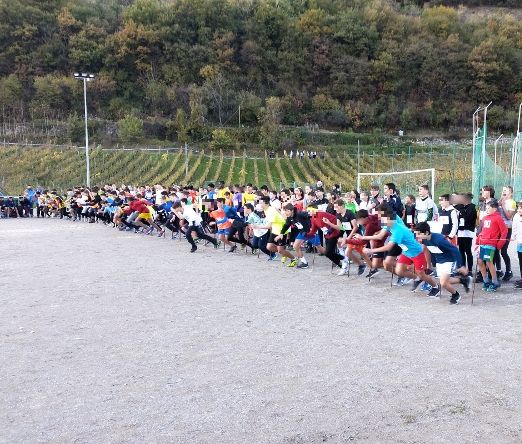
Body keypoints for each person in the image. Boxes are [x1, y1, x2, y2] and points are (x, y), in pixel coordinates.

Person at [364, 204, 440, 297]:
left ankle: (435, 286)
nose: (380, 220)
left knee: (422, 274)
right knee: (400, 271)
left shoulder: (397, 230)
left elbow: (388, 247)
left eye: (381, 217)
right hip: (406, 252)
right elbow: (379, 236)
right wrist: (364, 237)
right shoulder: (389, 225)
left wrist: (371, 251)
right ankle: (417, 279)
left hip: (416, 253)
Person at [414, 222, 472, 305]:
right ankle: (464, 280)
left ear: (426, 233)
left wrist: (460, 265)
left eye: (419, 234)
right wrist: (428, 265)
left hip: (449, 260)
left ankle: (456, 295)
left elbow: (455, 250)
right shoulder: (424, 240)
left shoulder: (439, 240)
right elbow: (425, 250)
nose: (417, 237)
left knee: (443, 282)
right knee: (446, 281)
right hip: (439, 261)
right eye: (416, 235)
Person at [476, 200, 508, 292]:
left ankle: (495, 282)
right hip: (483, 243)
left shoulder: (498, 218)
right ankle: (486, 280)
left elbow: (504, 231)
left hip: (491, 244)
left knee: (489, 262)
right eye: (486, 207)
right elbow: (483, 230)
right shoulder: (485, 218)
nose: (487, 209)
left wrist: (500, 243)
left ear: (494, 209)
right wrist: (479, 239)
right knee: (480, 261)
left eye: (488, 208)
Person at [281, 203, 311, 269]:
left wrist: (311, 227)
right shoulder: (289, 218)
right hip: (302, 233)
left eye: (287, 211)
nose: (286, 212)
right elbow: (286, 226)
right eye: (285, 211)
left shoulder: (300, 214)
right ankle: (304, 263)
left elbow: (310, 216)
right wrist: (281, 233)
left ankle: (333, 257)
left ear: (292, 210)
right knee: (295, 246)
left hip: (310, 232)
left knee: (320, 248)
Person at [454, 192, 477, 276]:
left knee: (468, 251)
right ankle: (462, 268)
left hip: (468, 233)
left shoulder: (472, 208)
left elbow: (468, 218)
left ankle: (470, 270)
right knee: (461, 251)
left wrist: (462, 212)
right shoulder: (460, 207)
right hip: (460, 232)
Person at [497, 185, 516, 281]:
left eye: (506, 190)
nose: (504, 192)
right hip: (498, 229)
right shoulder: (501, 201)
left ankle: (509, 271)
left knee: (503, 251)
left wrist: (503, 205)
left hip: (507, 229)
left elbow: (509, 216)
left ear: (511, 193)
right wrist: (500, 201)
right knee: (496, 250)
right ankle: (498, 270)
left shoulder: (512, 203)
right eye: (503, 190)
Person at [511, 201, 522, 289]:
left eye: (521, 208)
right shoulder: (516, 216)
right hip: (519, 243)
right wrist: (513, 236)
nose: (519, 210)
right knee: (520, 261)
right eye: (518, 208)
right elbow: (514, 227)